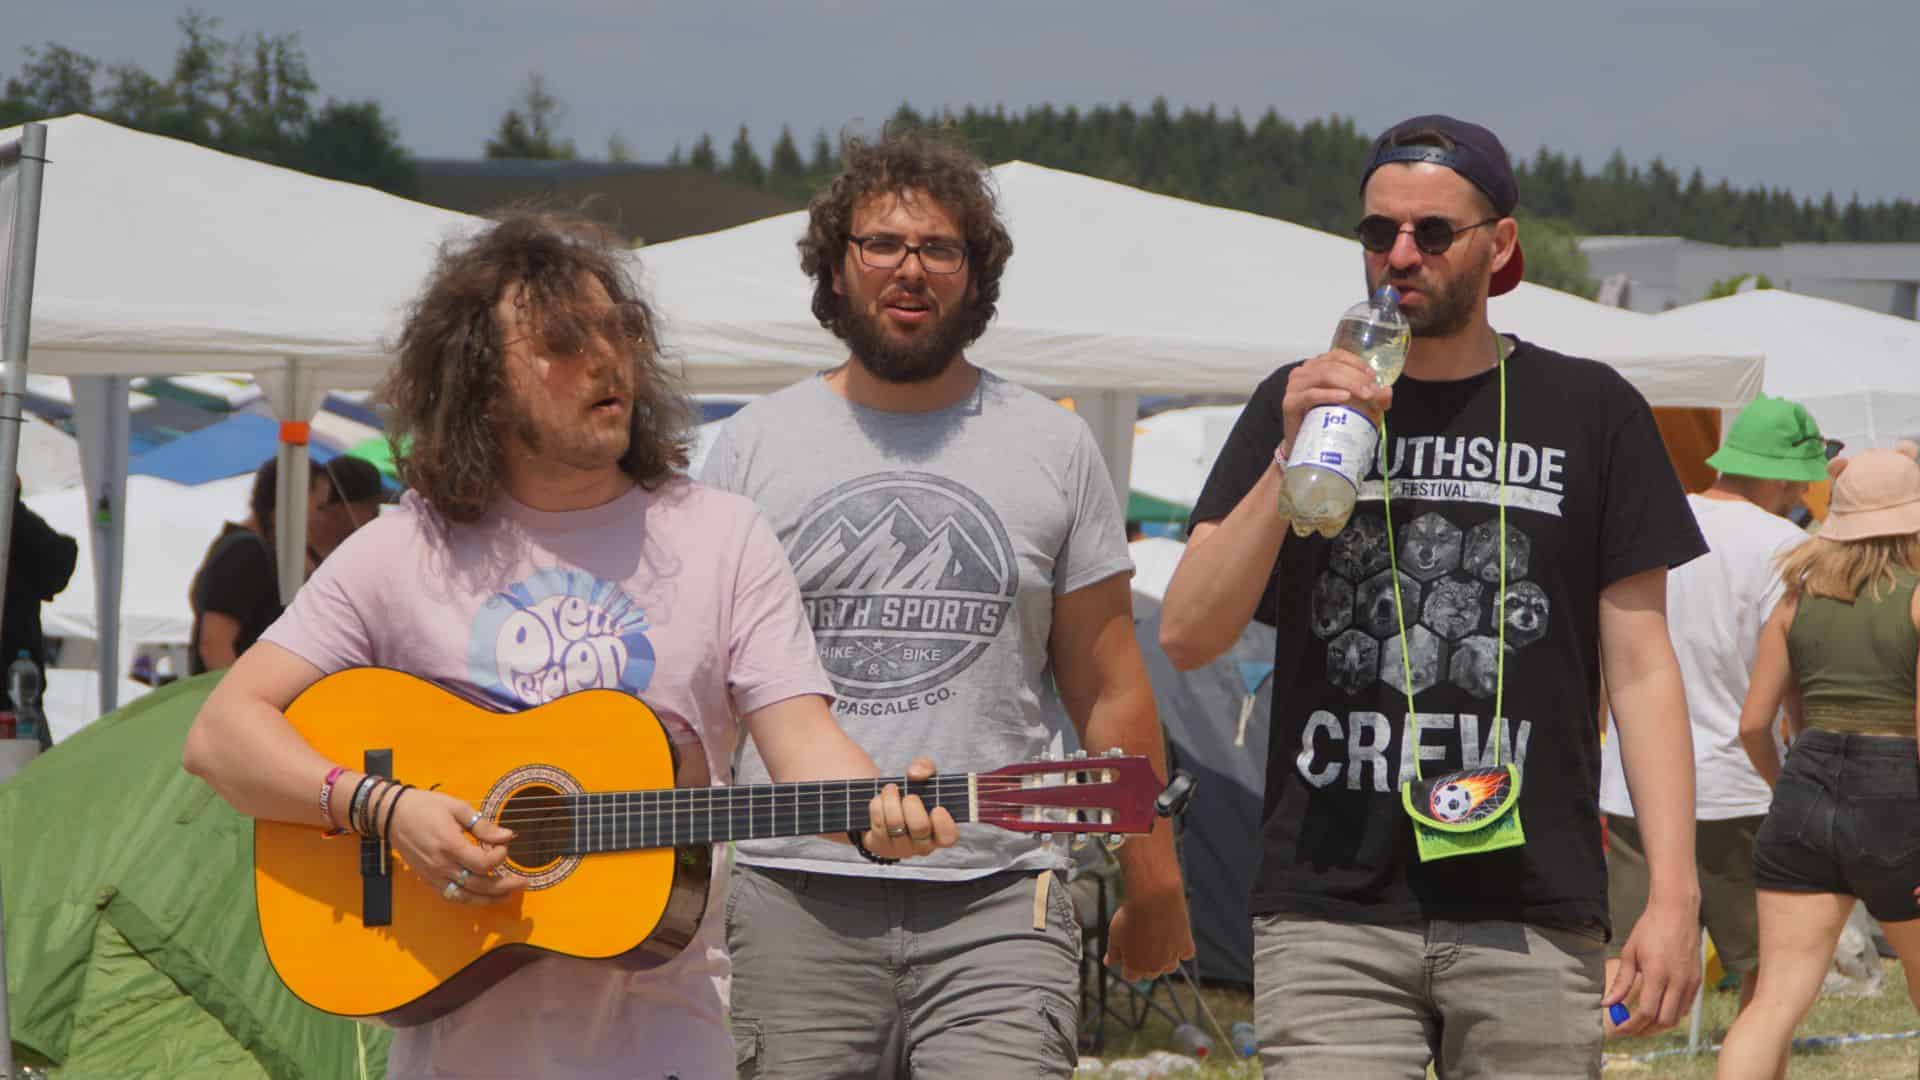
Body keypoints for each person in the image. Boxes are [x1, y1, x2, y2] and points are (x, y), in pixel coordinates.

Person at [182, 210, 956, 1080]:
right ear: (481, 382)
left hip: (671, 1044)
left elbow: (804, 740)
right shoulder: (403, 548)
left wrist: (874, 822)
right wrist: (384, 808)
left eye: (617, 331)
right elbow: (220, 736)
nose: (605, 360)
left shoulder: (723, 537)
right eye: (562, 342)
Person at [1159, 114, 1706, 1077]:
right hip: (1329, 907)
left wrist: (1674, 895)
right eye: (1379, 232)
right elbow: (1188, 633)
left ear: (1500, 244)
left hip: (1531, 902)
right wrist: (1291, 449)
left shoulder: (1591, 410)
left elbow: (1643, 670)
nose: (1401, 255)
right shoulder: (1300, 400)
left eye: (1433, 232)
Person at [700, 133, 1194, 1078]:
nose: (911, 268)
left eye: (939, 248)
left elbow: (1107, 688)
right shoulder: (751, 448)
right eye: (882, 244)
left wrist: (1155, 882)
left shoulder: (1054, 446)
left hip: (1000, 897)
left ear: (976, 275)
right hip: (794, 897)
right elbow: (707, 690)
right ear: (836, 268)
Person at [1598, 396, 1832, 1020]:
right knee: (1766, 970)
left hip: (1634, 778)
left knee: (1623, 966)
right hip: (1742, 785)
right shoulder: (1789, 547)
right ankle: (1748, 1059)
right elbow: (1794, 685)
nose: (1802, 492)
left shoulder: (1657, 519)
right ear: (1781, 476)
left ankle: (1598, 1051)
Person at [1716, 448, 1920, 1079]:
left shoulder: (1797, 597)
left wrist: (1789, 788)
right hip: (1897, 795)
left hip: (1804, 790)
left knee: (1773, 1004)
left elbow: (1753, 725)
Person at [186, 456, 332, 674]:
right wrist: (240, 692)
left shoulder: (246, 548)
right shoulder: (245, 552)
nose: (322, 519)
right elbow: (215, 645)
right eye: (319, 507)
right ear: (292, 499)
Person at [3, 482, 79, 719]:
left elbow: (59, 562)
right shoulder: (18, 523)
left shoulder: (17, 524)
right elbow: (59, 561)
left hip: (15, 693)